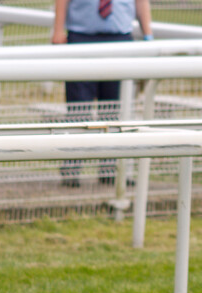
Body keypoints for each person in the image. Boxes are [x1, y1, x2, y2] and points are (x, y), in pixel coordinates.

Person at [52, 0, 153, 187]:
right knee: (78, 109)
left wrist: (148, 35)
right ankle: (71, 169)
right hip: (81, 37)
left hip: (120, 38)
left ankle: (110, 171)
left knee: (116, 109)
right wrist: (58, 30)